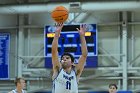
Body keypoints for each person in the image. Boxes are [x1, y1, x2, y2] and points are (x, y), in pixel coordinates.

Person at [51, 23, 88, 93]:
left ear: (72, 63)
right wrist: (56, 35)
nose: (64, 59)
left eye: (67, 58)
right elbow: (54, 52)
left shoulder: (76, 72)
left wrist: (82, 37)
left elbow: (84, 55)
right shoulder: (57, 70)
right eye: (63, 58)